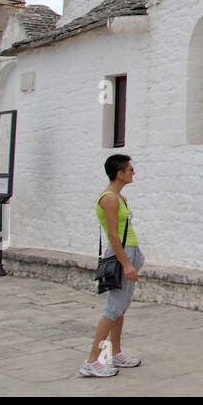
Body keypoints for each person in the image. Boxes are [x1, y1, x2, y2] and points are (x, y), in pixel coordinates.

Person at [80, 153, 145, 378]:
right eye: (130, 169)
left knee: (121, 307)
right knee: (112, 309)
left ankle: (116, 352)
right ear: (119, 173)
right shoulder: (109, 199)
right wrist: (126, 264)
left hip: (130, 252)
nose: (133, 172)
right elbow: (113, 235)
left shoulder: (120, 198)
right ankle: (92, 361)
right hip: (121, 256)